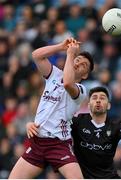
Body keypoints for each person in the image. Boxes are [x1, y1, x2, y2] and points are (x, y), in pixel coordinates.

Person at [8, 37, 94, 179]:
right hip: (38, 142)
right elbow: (36, 55)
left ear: (85, 75)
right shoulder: (54, 74)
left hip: (58, 144)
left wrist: (71, 55)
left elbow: (67, 83)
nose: (78, 63)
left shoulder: (81, 90)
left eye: (84, 65)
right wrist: (61, 46)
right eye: (78, 60)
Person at [26, 86, 121, 178]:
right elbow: (53, 126)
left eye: (102, 98)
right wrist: (30, 124)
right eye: (94, 98)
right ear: (88, 105)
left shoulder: (116, 124)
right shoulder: (78, 121)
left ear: (108, 105)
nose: (98, 101)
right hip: (80, 176)